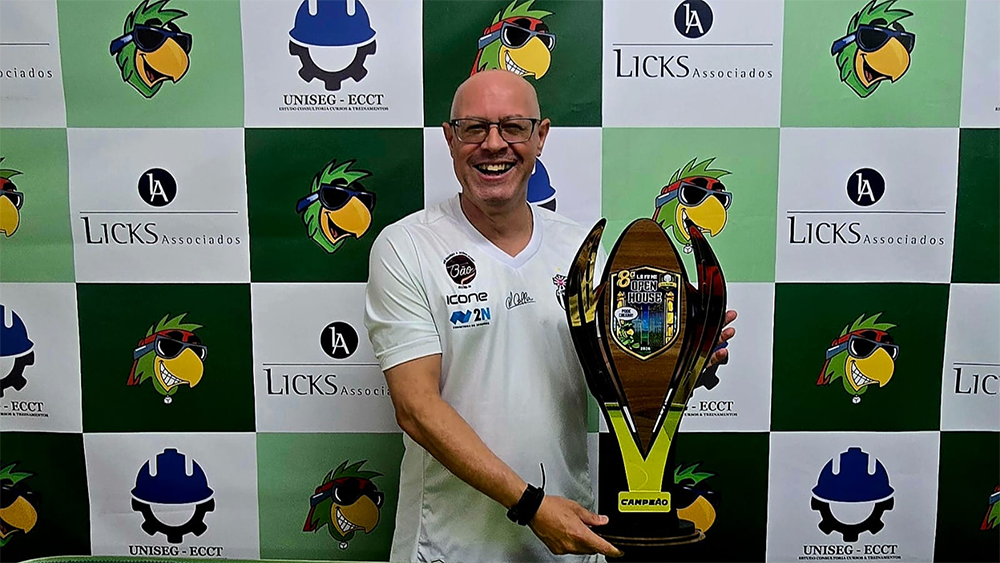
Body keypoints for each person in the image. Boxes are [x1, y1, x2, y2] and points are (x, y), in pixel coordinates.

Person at [363, 69, 737, 563]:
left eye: (513, 127)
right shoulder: (406, 246)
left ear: (540, 137)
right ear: (450, 139)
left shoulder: (583, 253)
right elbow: (416, 408)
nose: (493, 144)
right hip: (449, 546)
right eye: (474, 128)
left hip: (568, 539)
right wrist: (531, 506)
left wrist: (682, 364)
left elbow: (623, 374)